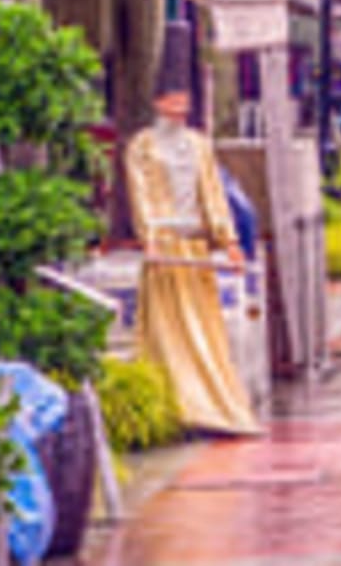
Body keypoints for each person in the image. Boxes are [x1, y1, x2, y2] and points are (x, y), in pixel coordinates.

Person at [120, 87, 264, 436]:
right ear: (157, 103)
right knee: (166, 327)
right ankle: (176, 405)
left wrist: (228, 240)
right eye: (171, 100)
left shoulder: (199, 144)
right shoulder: (142, 146)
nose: (179, 108)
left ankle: (209, 403)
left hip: (195, 245)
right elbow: (140, 196)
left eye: (184, 100)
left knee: (203, 328)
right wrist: (150, 237)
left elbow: (212, 193)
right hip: (165, 246)